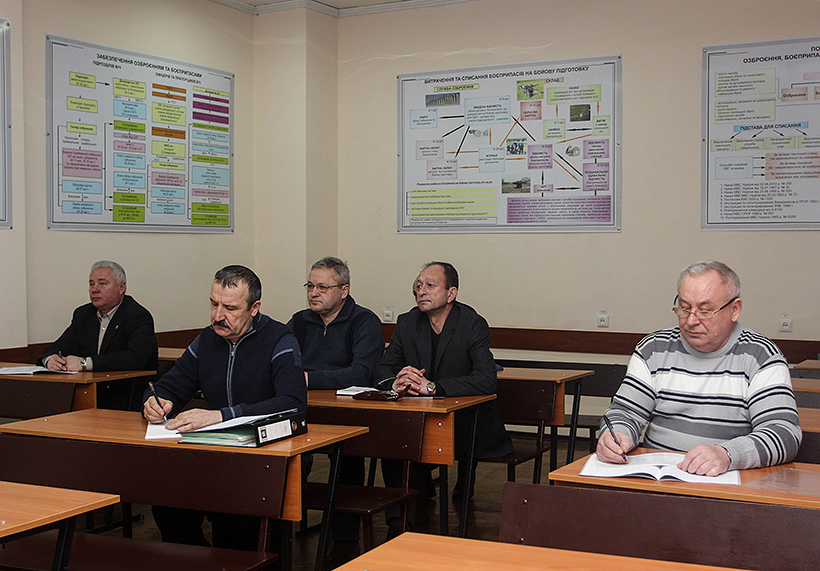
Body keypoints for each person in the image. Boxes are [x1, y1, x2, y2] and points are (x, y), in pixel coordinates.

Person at [143, 264, 306, 550]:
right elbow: (170, 384)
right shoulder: (207, 339)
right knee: (166, 505)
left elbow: (292, 403)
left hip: (267, 454)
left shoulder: (279, 339)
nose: (218, 316)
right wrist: (155, 401)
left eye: (230, 308)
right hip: (215, 452)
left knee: (241, 526)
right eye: (214, 304)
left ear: (254, 308)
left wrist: (222, 415)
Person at [598, 260, 801, 476]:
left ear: (734, 309)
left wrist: (728, 454)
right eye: (685, 308)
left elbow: (784, 434)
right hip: (656, 477)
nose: (691, 321)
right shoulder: (653, 349)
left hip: (725, 480)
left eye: (705, 310)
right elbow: (625, 412)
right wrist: (616, 435)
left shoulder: (761, 357)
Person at [372, 262, 512, 535]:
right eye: (418, 285)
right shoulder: (407, 322)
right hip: (419, 419)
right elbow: (381, 369)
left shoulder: (471, 323)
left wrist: (434, 387)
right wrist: (395, 382)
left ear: (451, 293)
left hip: (465, 421)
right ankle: (401, 524)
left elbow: (486, 379)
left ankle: (418, 517)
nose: (421, 291)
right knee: (393, 444)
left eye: (430, 285)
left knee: (413, 445)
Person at [288, 256, 383, 566]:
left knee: (348, 457)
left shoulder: (364, 321)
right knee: (286, 453)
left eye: (322, 287)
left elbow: (361, 373)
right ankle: (279, 529)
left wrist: (308, 379)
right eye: (310, 286)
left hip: (347, 411)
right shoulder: (300, 322)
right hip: (303, 407)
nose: (313, 293)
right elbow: (281, 362)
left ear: (344, 290)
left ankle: (345, 538)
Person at [37, 260, 158, 409]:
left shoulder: (137, 315)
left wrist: (85, 363)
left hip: (127, 397)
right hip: (90, 395)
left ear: (121, 287)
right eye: (91, 284)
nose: (95, 289)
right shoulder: (83, 314)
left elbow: (136, 358)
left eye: (102, 283)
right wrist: (50, 359)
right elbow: (59, 346)